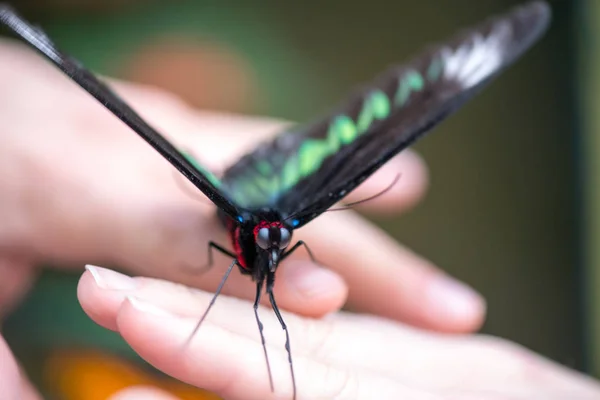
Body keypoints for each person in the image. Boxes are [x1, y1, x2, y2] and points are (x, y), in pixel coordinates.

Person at [0, 38, 599, 400]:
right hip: (240, 190)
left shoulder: (284, 234)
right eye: (273, 245)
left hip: (283, 184)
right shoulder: (243, 232)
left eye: (282, 245)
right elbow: (233, 250)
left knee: (295, 251)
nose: (278, 251)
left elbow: (280, 246)